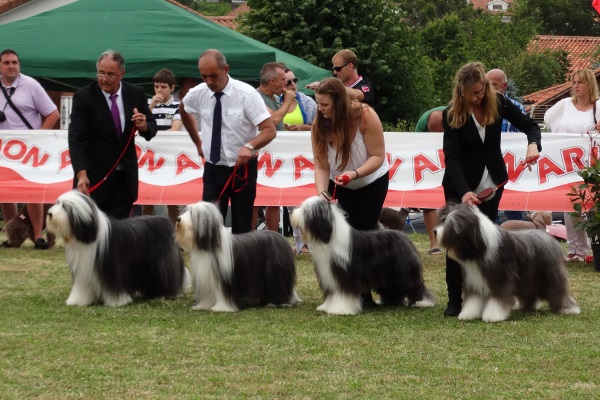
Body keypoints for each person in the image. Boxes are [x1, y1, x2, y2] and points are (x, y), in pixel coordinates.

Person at [442, 62, 541, 317]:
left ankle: (491, 294)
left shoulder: (498, 101)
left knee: (489, 244)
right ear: (462, 92)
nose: (479, 97)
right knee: (458, 243)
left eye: (481, 91)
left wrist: (533, 145)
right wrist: (464, 192)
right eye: (473, 93)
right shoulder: (452, 113)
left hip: (492, 184)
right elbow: (451, 158)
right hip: (460, 186)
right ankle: (455, 299)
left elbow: (530, 125)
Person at [179, 49, 276, 234]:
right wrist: (197, 142)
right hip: (214, 169)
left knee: (242, 227)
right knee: (208, 228)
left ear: (226, 69)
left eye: (213, 76)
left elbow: (270, 130)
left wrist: (250, 146)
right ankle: (212, 264)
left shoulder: (246, 94)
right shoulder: (197, 93)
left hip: (243, 169)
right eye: (203, 76)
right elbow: (184, 110)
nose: (208, 81)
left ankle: (241, 263)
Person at [312, 77, 389, 306]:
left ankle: (365, 292)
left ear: (339, 102)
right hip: (341, 183)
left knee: (364, 234)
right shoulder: (320, 124)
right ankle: (344, 288)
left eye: (325, 104)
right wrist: (322, 193)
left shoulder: (365, 115)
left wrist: (354, 174)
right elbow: (321, 165)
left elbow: (377, 156)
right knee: (341, 238)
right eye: (318, 103)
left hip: (371, 180)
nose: (320, 109)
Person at [68, 50, 157, 220]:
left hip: (124, 177)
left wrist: (144, 126)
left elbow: (151, 125)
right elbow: (77, 138)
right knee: (93, 234)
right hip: (94, 178)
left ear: (122, 74)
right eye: (101, 73)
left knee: (121, 233)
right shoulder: (84, 97)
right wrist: (81, 173)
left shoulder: (136, 93)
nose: (104, 79)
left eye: (110, 74)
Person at [0, 49, 59, 249]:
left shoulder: (31, 85)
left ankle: (38, 235)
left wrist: (39, 137)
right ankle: (11, 236)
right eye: (7, 63)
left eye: (14, 62)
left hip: (30, 149)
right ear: (0, 66)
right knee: (6, 191)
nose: (11, 66)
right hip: (4, 149)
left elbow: (53, 113)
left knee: (32, 190)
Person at [544, 68, 600, 262]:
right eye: (574, 82)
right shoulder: (565, 104)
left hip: (590, 164)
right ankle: (574, 248)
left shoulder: (598, 106)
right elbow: (548, 120)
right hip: (566, 162)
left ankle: (588, 248)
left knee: (590, 205)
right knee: (569, 205)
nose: (576, 86)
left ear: (589, 84)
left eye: (580, 82)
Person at [254, 62, 297, 232]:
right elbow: (273, 120)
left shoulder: (274, 99)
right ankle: (250, 239)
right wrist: (287, 102)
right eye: (282, 80)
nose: (285, 84)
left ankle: (273, 238)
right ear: (272, 82)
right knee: (256, 201)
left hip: (274, 157)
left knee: (274, 201)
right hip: (260, 155)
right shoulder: (256, 96)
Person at [281, 67, 318, 253]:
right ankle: (300, 243)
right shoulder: (275, 102)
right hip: (283, 158)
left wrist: (303, 127)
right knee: (290, 203)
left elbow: (320, 127)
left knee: (308, 200)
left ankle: (311, 241)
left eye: (294, 80)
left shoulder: (307, 102)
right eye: (288, 82)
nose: (293, 84)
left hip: (306, 157)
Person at [486, 68, 528, 221]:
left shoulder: (516, 108)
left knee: (512, 205)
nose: (490, 88)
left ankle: (516, 234)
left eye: (494, 84)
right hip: (488, 164)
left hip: (510, 163)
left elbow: (524, 133)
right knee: (489, 205)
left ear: (504, 86)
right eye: (487, 84)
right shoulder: (479, 107)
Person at [142, 68, 182, 225]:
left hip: (169, 158)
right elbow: (141, 125)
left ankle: (174, 238)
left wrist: (153, 136)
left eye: (163, 87)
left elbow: (175, 130)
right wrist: (151, 105)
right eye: (156, 86)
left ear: (172, 88)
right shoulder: (146, 104)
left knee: (172, 201)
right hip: (150, 158)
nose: (159, 90)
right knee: (147, 199)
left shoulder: (178, 106)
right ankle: (147, 236)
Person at [414, 106, 446, 255]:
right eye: (434, 134)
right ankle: (434, 243)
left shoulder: (458, 116)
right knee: (428, 199)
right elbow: (416, 150)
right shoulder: (421, 127)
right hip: (427, 156)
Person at [306, 49, 374, 105]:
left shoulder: (365, 87)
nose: (335, 72)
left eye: (338, 69)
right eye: (334, 69)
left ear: (350, 66)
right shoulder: (337, 87)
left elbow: (356, 95)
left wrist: (328, 86)